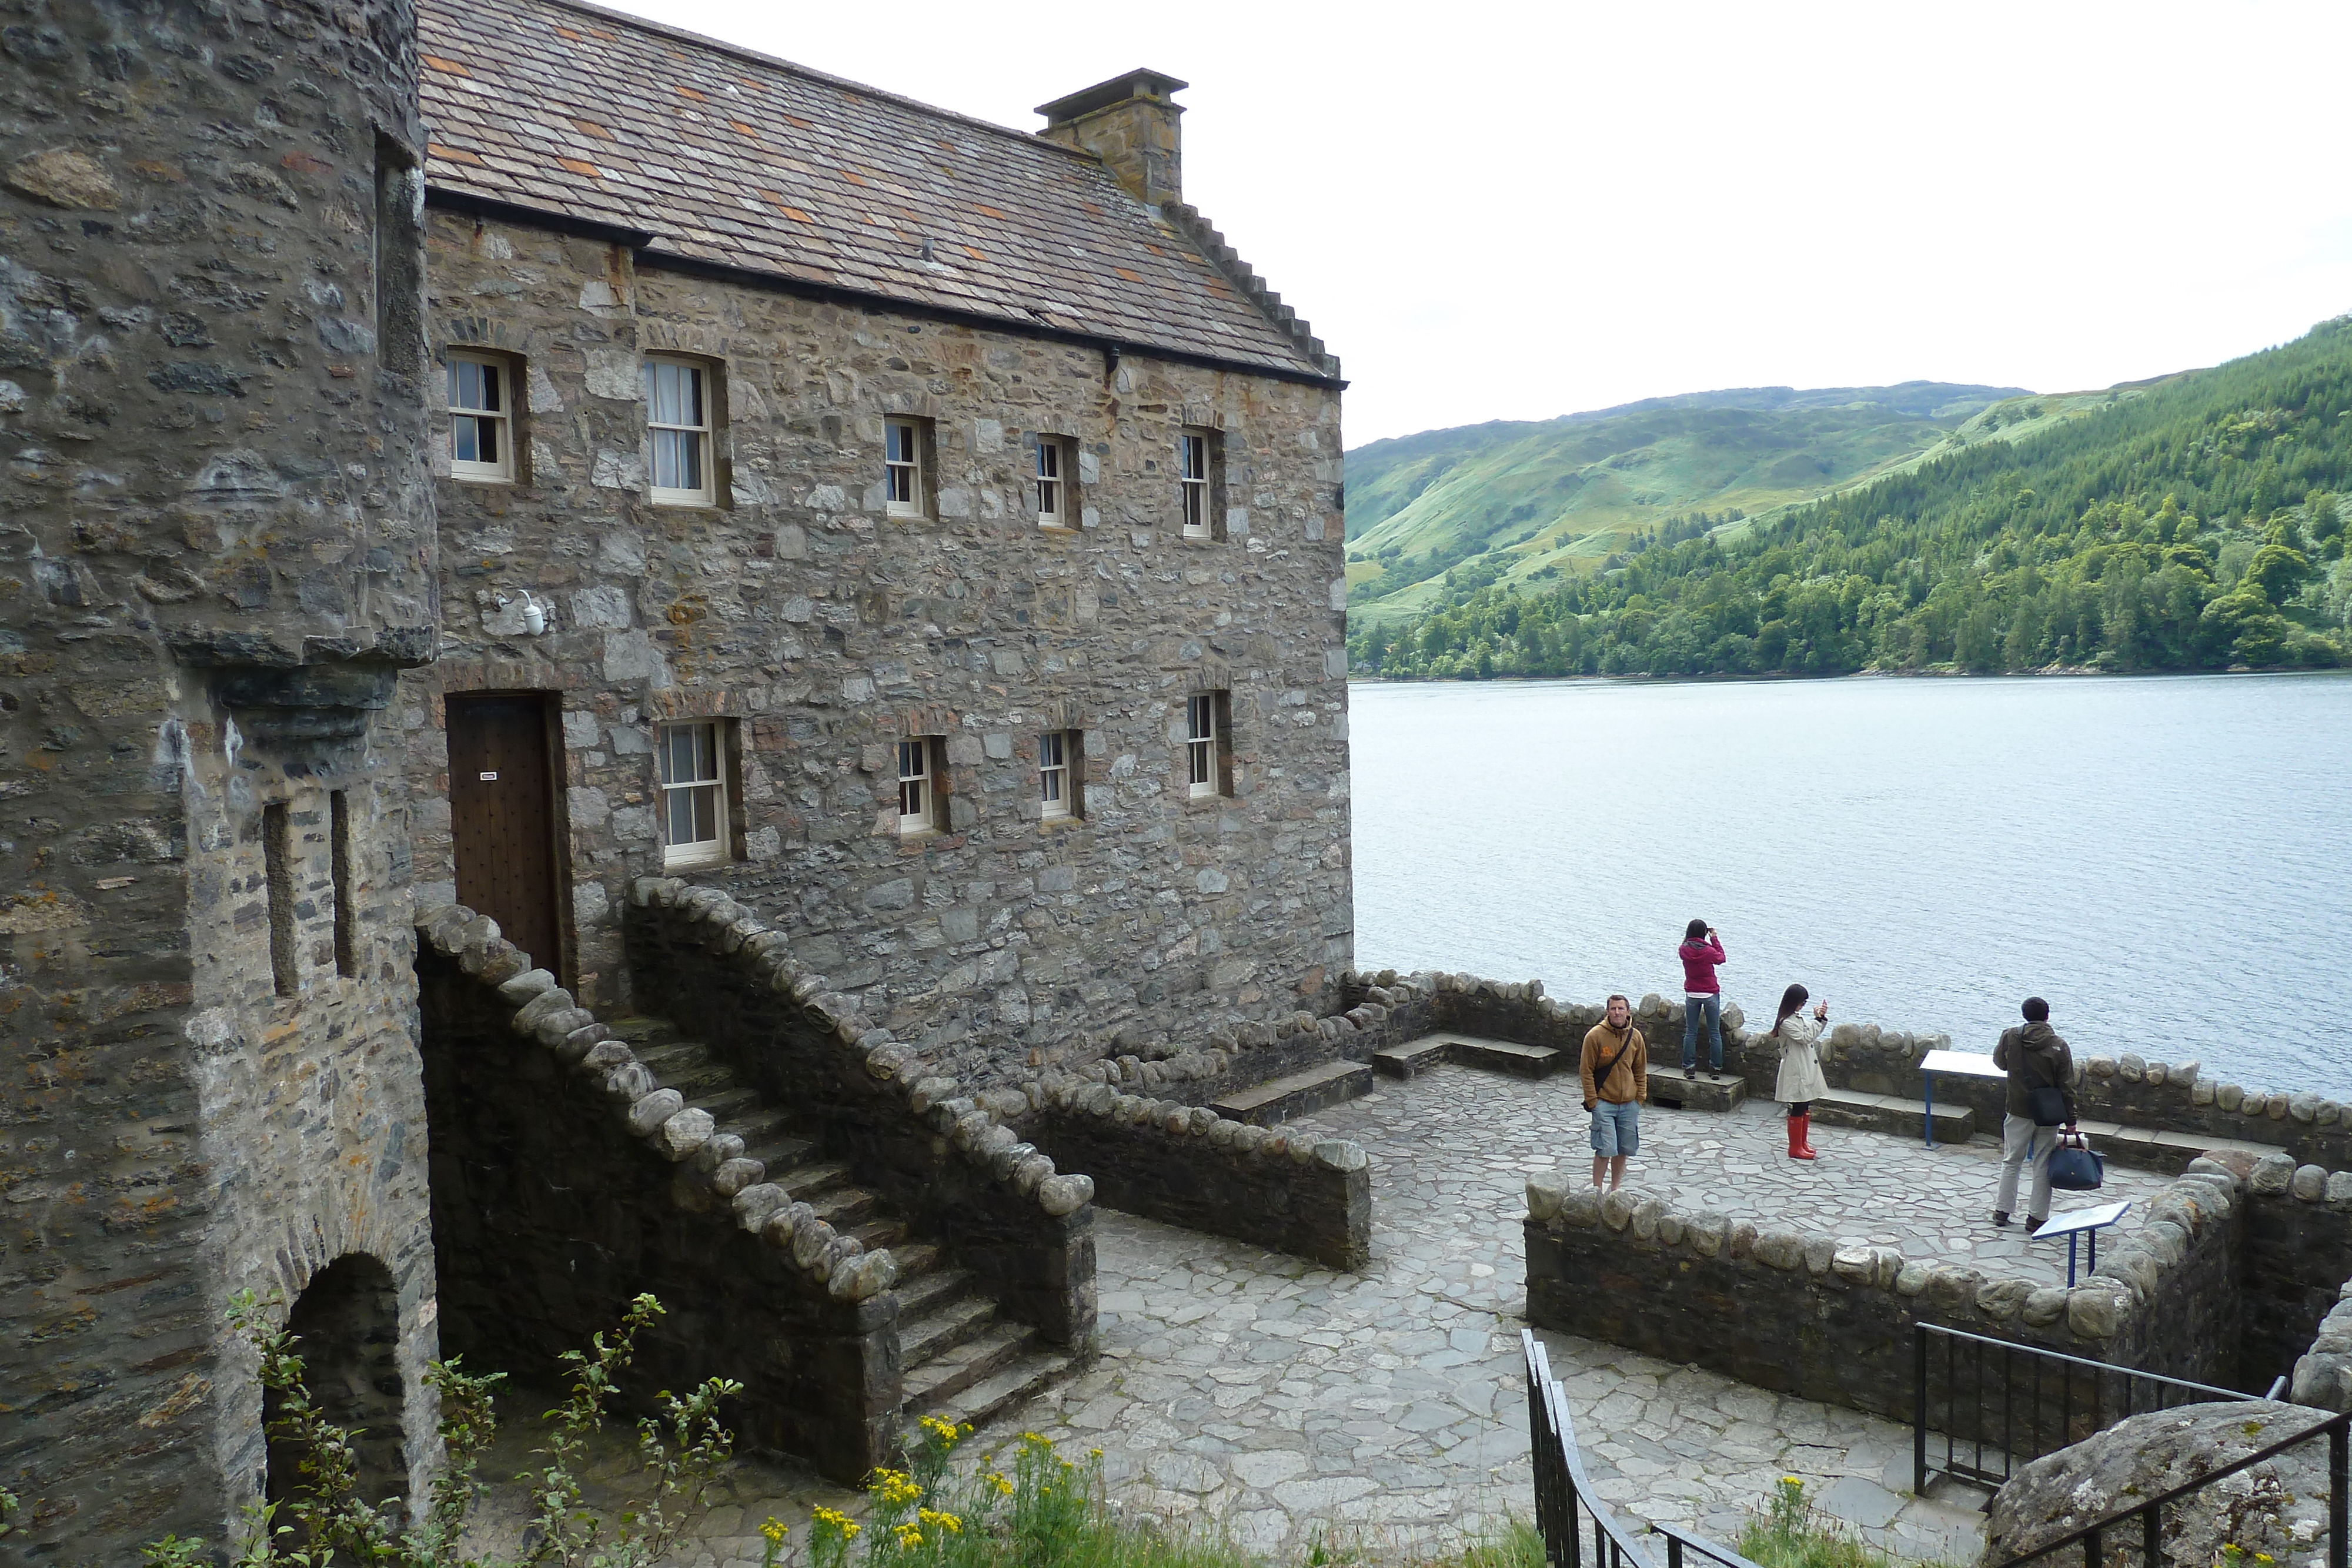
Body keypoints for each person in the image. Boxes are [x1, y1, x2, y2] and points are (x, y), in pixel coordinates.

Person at [1993, 997, 2077, 1232]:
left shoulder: (2010, 1036)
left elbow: (2000, 1063)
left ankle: (2002, 1211)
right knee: (2042, 1163)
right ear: (2047, 1016)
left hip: (2018, 1108)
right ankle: (2037, 1217)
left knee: (2012, 1160)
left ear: (2024, 1015)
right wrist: (2071, 1120)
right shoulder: (2059, 1045)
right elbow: (2067, 1085)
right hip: (2048, 1113)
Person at [1581, 993, 1649, 1192]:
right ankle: (1597, 1189)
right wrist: (1593, 1102)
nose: (1617, 1012)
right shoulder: (1595, 1036)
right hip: (1604, 1103)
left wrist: (1640, 1098)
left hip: (1629, 1104)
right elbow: (1586, 1071)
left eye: (1621, 1009)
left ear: (1628, 1012)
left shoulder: (1635, 1037)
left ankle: (1615, 1188)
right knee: (1605, 1149)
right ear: (1607, 1011)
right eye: (1613, 1009)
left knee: (1623, 1149)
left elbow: (1640, 1069)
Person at [1770, 982, 1829, 1161]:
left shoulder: (1796, 1019)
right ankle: (1795, 1147)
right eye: (1801, 1003)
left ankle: (1802, 1143)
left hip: (1804, 1066)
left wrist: (1819, 1019)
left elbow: (1808, 1029)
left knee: (1805, 1105)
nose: (1803, 1006)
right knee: (1797, 1105)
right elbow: (1806, 1037)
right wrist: (1818, 1022)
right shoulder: (1786, 1023)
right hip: (1796, 1069)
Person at [1678, 919, 1728, 1079]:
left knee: (1691, 1032)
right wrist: (1714, 938)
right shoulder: (1708, 951)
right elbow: (1721, 958)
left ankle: (1689, 1067)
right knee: (1714, 1032)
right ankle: (1715, 1068)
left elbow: (1686, 943)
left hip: (1692, 993)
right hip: (1710, 992)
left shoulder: (1683, 949)